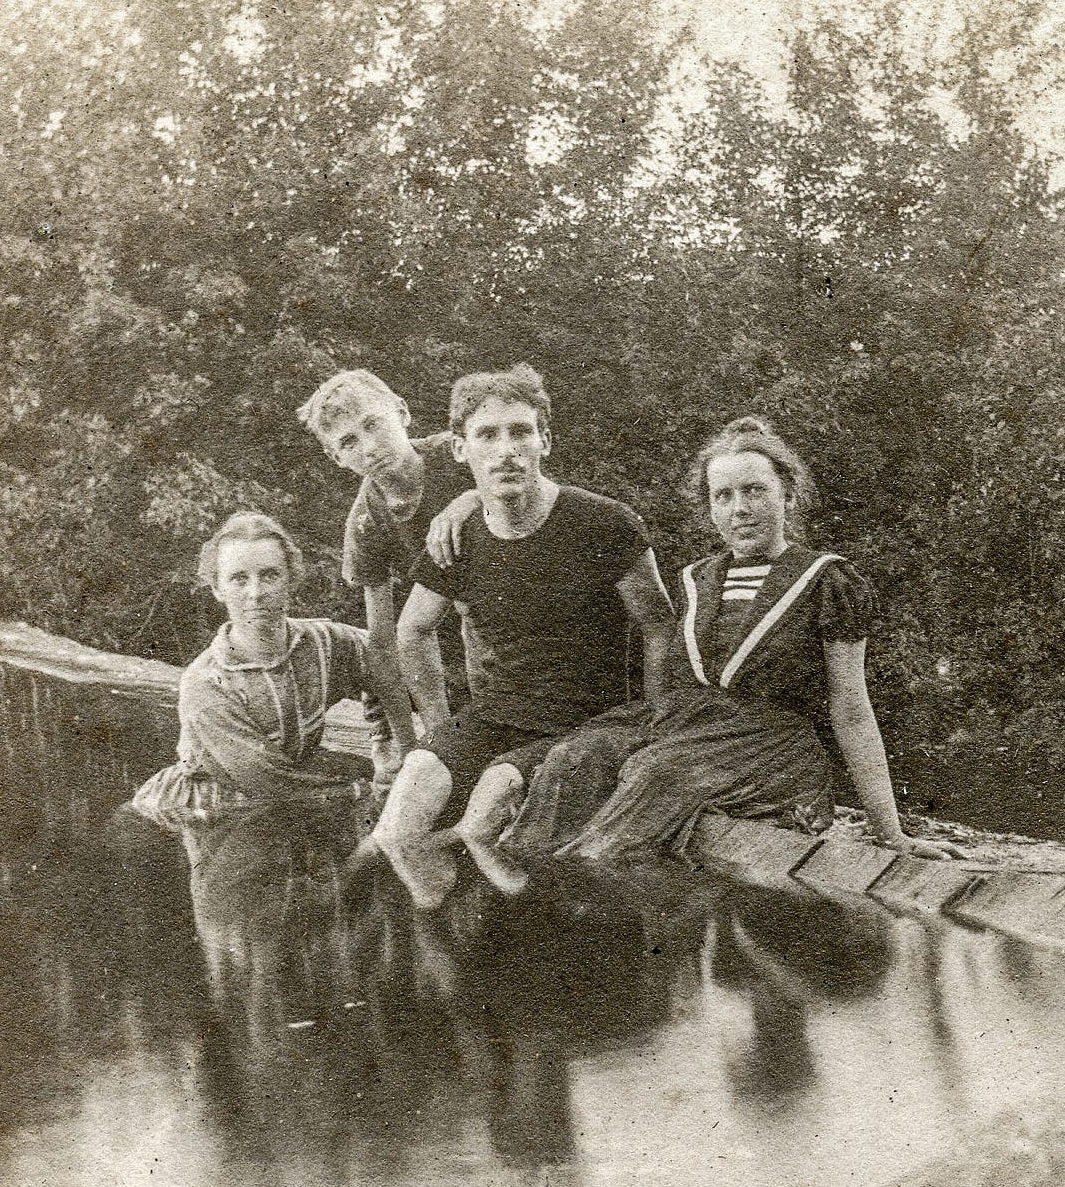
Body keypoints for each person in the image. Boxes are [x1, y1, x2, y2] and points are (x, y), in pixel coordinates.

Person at [500, 416, 964, 862]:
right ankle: (531, 899)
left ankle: (590, 888)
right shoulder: (696, 580)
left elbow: (851, 706)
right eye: (722, 496)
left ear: (788, 494)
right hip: (693, 731)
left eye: (754, 491)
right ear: (710, 507)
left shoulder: (827, 580)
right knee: (572, 758)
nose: (739, 509)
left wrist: (891, 832)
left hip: (775, 748)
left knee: (655, 774)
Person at [359, 363, 676, 901]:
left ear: (544, 441)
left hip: (590, 720)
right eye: (486, 435)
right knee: (411, 788)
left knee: (487, 809)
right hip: (497, 715)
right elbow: (409, 632)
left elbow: (658, 623)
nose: (505, 450)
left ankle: (513, 941)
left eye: (520, 432)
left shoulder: (603, 523)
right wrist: (438, 727)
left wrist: (656, 726)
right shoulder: (458, 535)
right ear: (461, 450)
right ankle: (408, 919)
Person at [129, 510, 385, 863]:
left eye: (269, 575)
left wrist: (386, 741)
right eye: (238, 579)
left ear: (291, 579)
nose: (256, 593)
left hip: (293, 793)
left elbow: (392, 662)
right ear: (218, 589)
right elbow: (268, 782)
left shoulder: (324, 642)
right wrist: (370, 783)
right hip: (211, 812)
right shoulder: (206, 683)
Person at [297, 369, 480, 782]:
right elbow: (382, 642)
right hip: (437, 616)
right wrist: (412, 745)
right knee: (393, 640)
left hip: (504, 591)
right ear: (337, 458)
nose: (369, 447)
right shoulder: (367, 520)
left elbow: (531, 489)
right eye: (349, 442)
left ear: (401, 412)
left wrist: (469, 499)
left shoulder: (456, 455)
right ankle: (413, 737)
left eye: (373, 425)